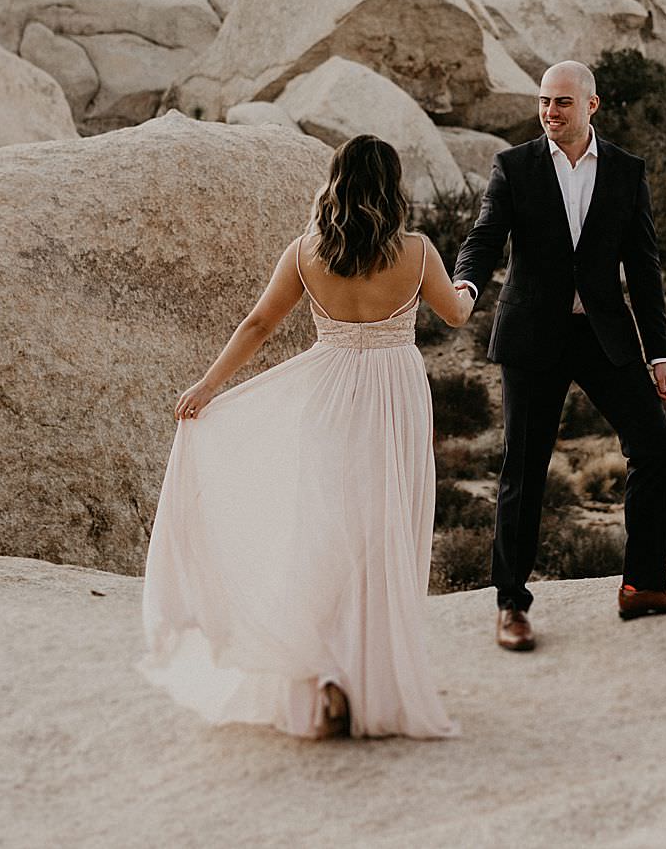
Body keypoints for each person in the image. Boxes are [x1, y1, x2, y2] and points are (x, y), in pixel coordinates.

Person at [137, 135, 473, 740]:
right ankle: (374, 682)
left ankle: (325, 678)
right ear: (393, 188)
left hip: (329, 396)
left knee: (326, 534)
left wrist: (208, 387)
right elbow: (455, 315)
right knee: (384, 533)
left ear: (335, 181)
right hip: (394, 397)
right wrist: (469, 287)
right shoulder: (419, 253)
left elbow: (259, 323)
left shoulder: (306, 252)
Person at [452, 60, 666, 653]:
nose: (550, 112)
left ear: (591, 106)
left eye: (563, 103)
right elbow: (485, 237)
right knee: (523, 471)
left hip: (604, 336)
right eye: (545, 102)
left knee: (655, 448)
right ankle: (510, 606)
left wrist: (661, 355)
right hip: (531, 338)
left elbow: (644, 271)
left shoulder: (626, 171)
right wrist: (466, 285)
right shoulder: (513, 167)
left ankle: (643, 586)